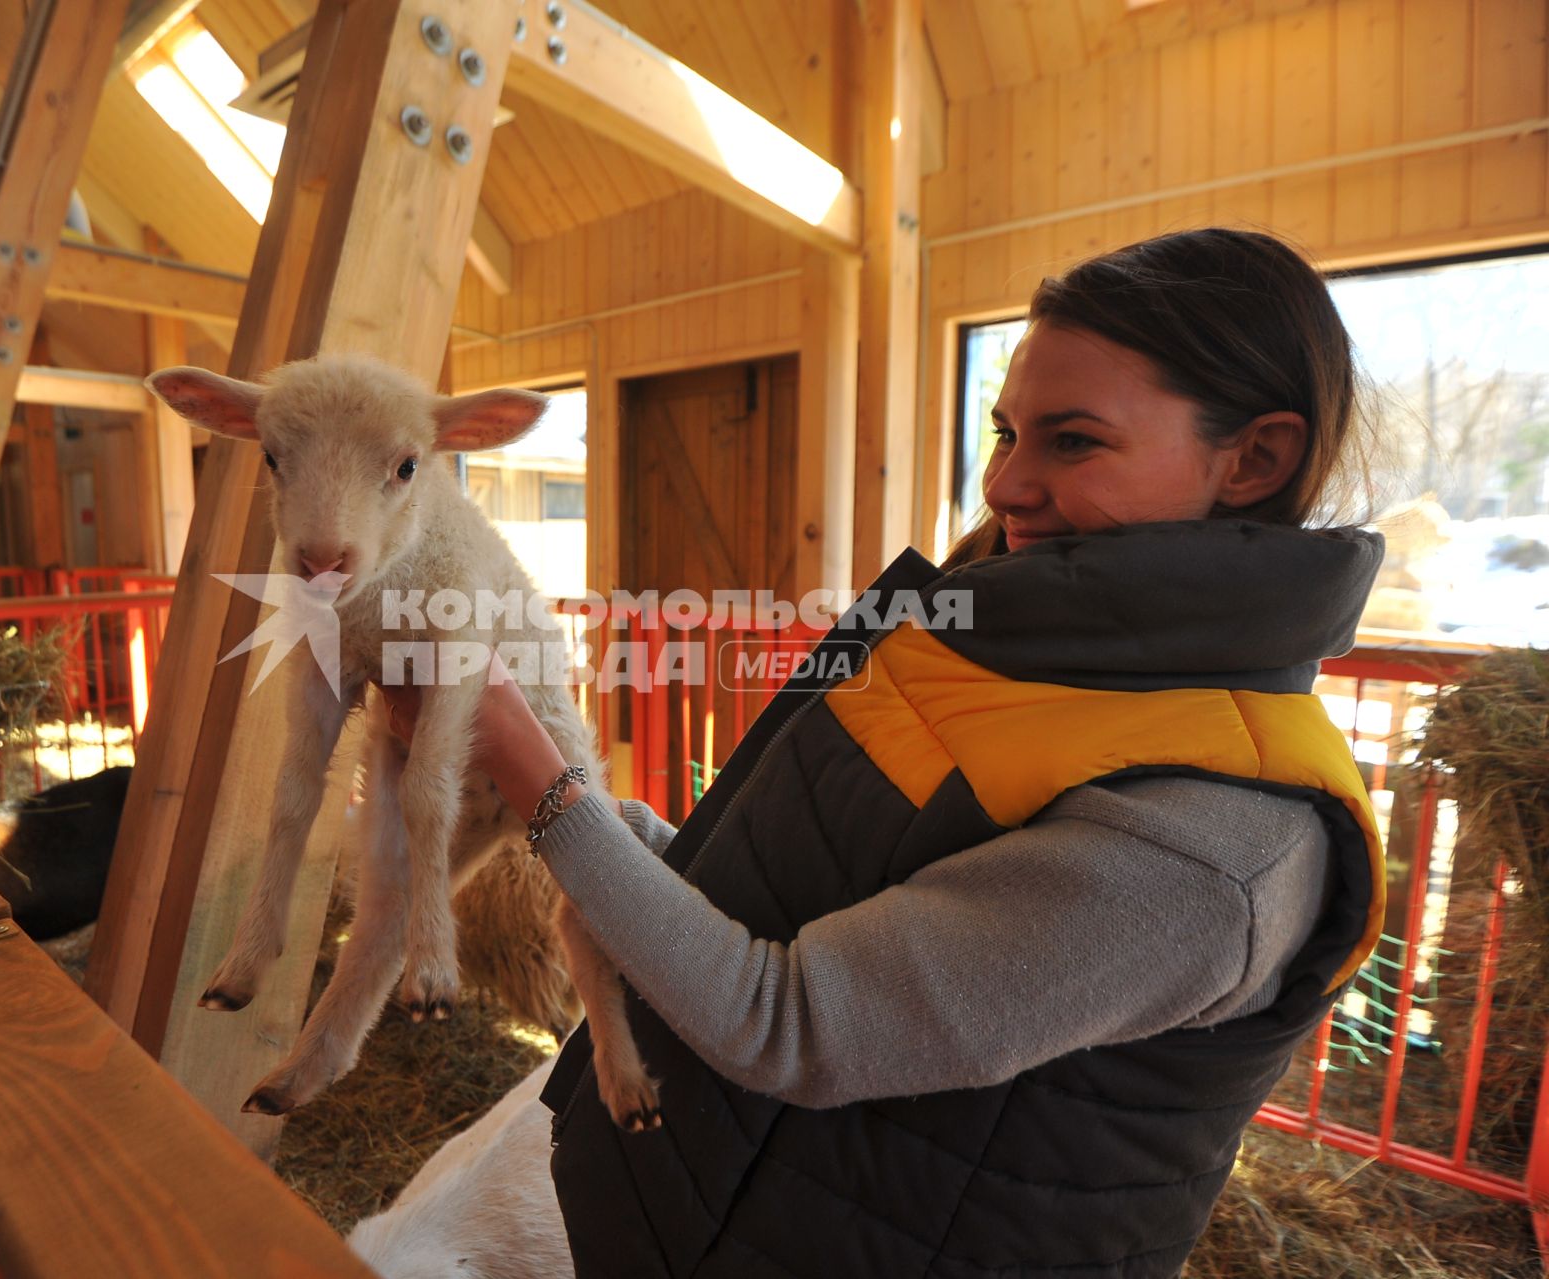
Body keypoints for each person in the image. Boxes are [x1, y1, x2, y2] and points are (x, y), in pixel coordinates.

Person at [382, 228, 1387, 1278]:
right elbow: (801, 904)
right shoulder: (997, 652)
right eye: (1005, 433)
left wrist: (542, 784)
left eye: (1073, 441)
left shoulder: (1211, 840)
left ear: (1254, 459)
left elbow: (793, 1019)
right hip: (724, 1210)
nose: (1007, 484)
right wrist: (586, 816)